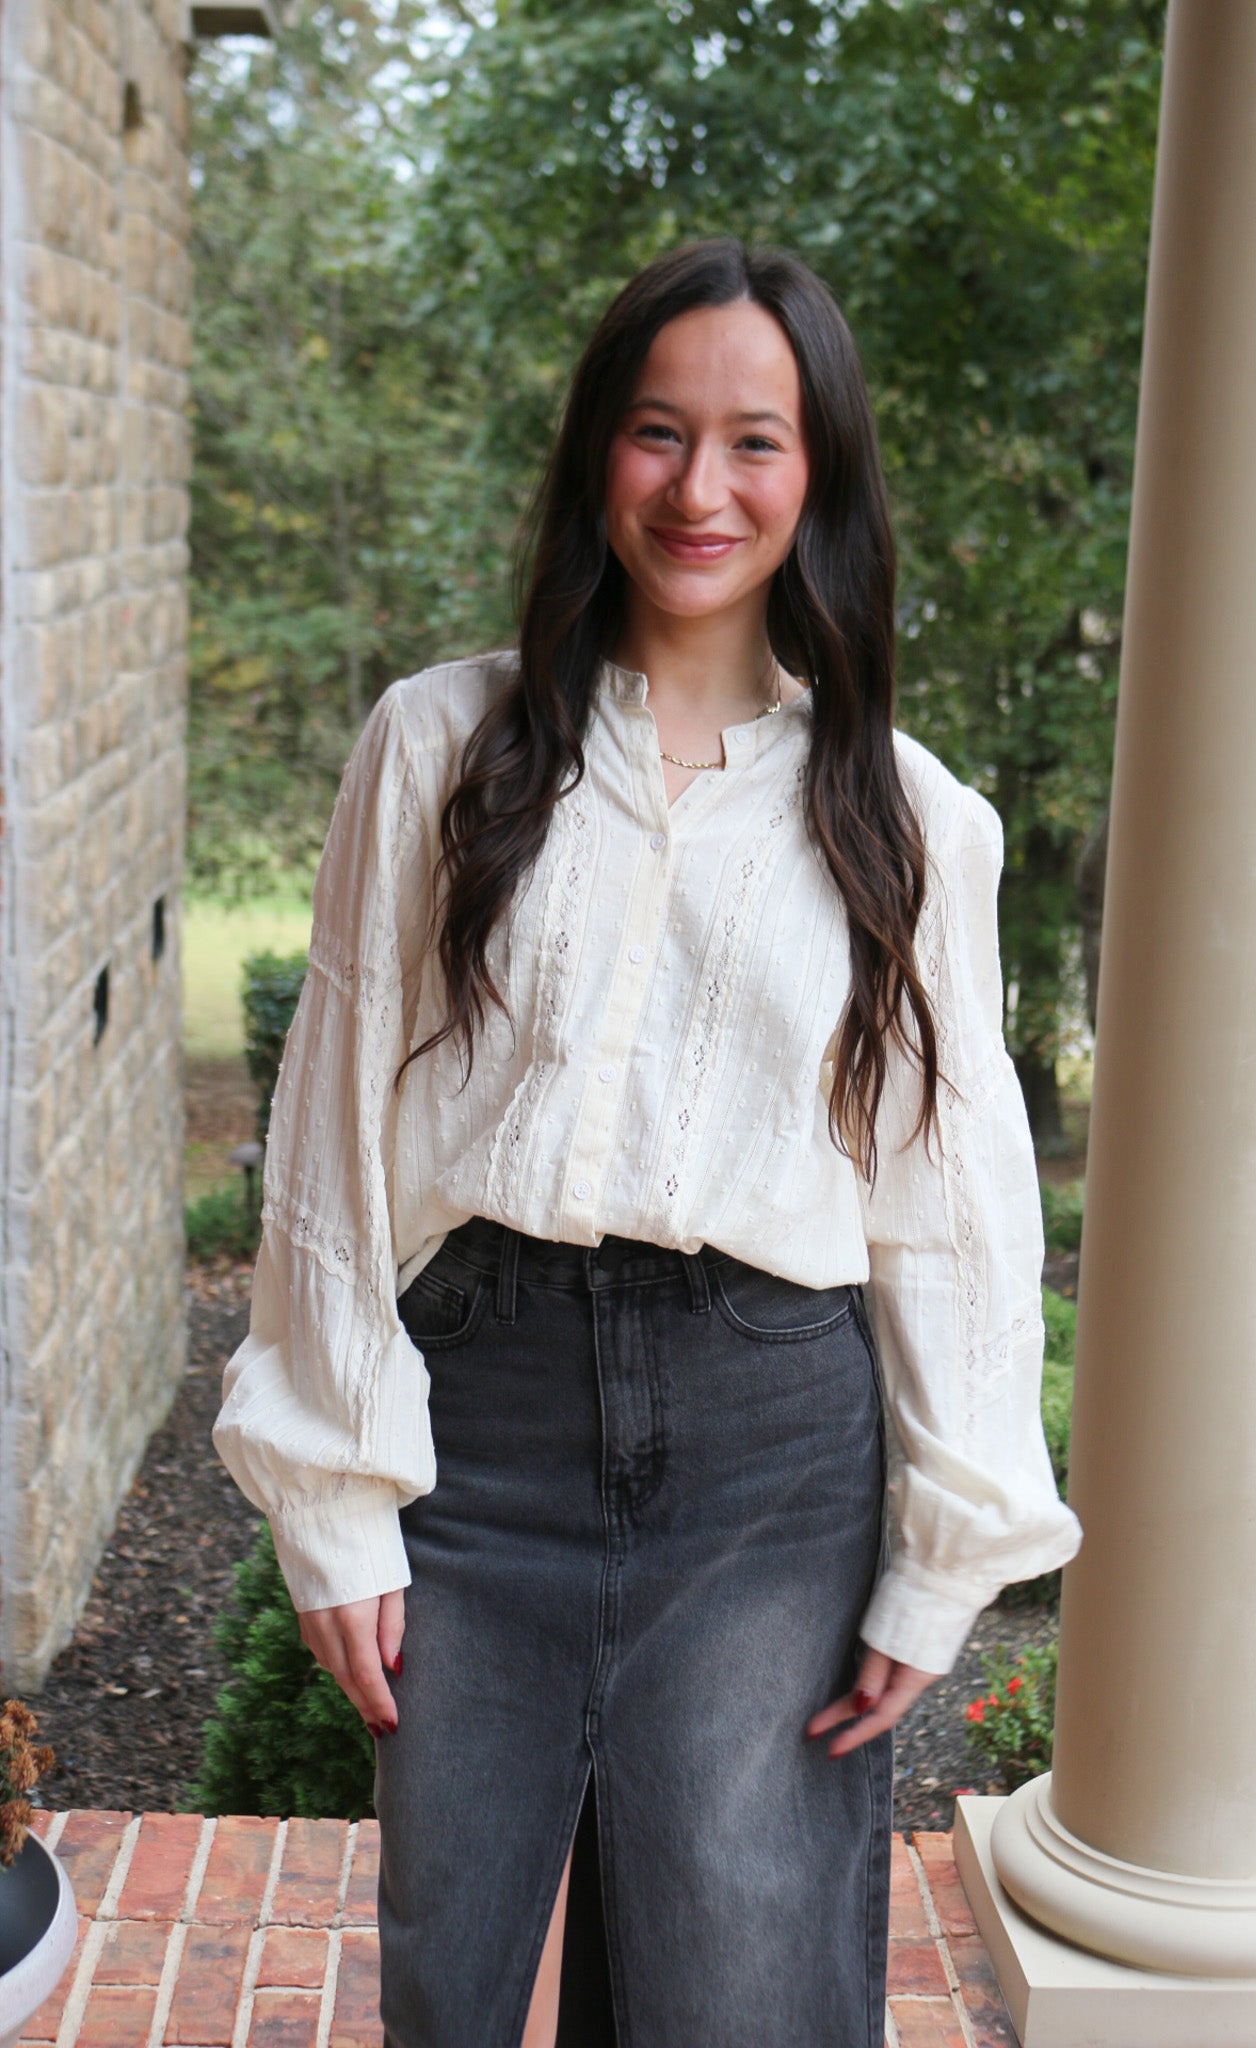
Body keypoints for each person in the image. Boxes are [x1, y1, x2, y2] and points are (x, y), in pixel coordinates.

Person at [213, 237, 1081, 2048]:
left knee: (737, 1994)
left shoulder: (912, 820)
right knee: (461, 1987)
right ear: (593, 454)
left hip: (772, 1448)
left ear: (818, 474)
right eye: (656, 433)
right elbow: (336, 1132)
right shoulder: (437, 746)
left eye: (755, 442)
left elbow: (949, 1204)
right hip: (477, 1429)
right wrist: (336, 1496)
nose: (701, 489)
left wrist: (940, 1550)